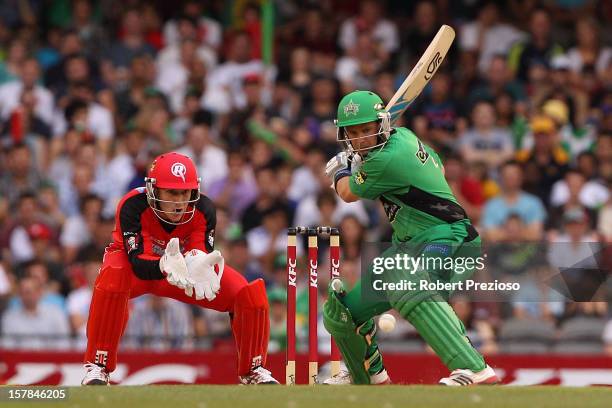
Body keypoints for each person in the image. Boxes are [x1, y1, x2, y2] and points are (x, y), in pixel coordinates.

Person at [323, 90, 498, 386]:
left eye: (367, 130)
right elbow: (438, 165)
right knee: (341, 313)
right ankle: (366, 375)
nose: (362, 138)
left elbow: (347, 193)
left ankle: (475, 369)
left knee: (406, 279)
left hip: (451, 239)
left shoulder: (386, 159)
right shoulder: (403, 136)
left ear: (381, 124)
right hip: (410, 244)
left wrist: (342, 168)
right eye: (354, 133)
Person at [81, 152, 278, 385]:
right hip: (138, 270)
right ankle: (98, 366)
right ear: (154, 190)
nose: (179, 201)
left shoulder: (204, 208)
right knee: (112, 275)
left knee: (249, 294)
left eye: (185, 192)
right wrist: (164, 264)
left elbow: (198, 255)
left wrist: (198, 265)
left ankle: (253, 369)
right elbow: (137, 261)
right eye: (172, 192)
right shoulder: (132, 205)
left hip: (182, 274)